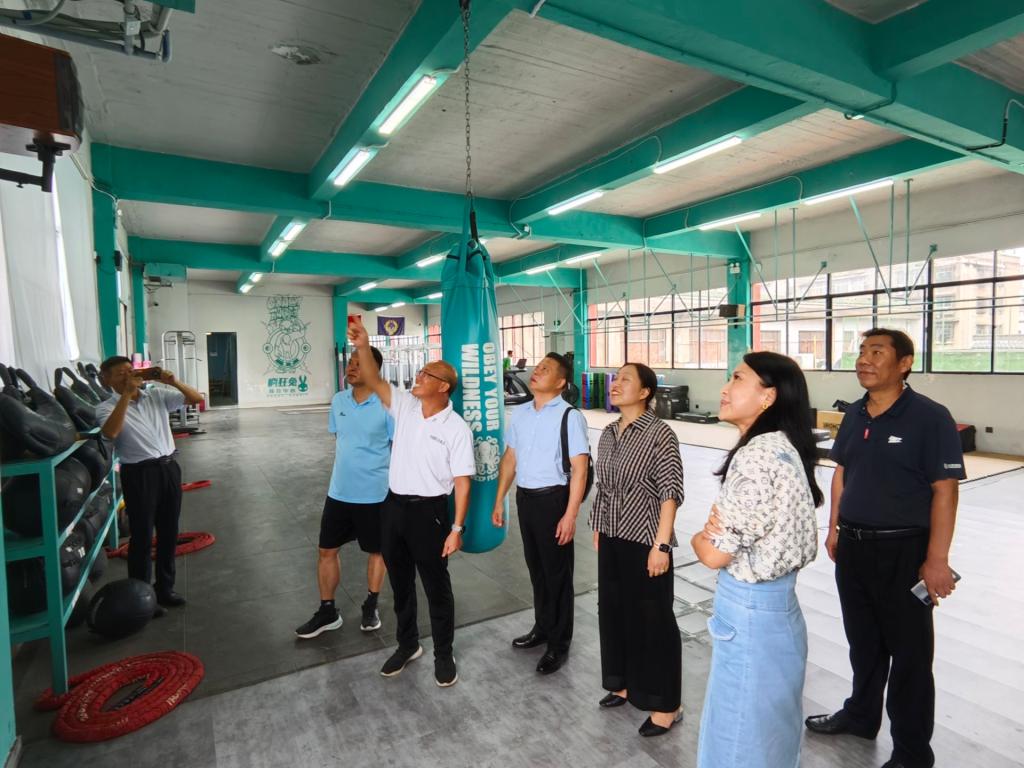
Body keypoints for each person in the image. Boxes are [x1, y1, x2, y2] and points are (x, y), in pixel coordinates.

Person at [805, 329, 964, 768]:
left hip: (905, 552)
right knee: (863, 643)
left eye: (877, 352)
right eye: (861, 352)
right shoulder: (855, 413)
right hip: (854, 548)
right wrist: (834, 528)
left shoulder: (930, 417)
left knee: (910, 657)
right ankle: (861, 715)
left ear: (905, 363)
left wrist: (936, 560)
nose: (864, 360)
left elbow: (945, 489)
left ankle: (912, 753)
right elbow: (841, 472)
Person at [691, 352, 823, 768]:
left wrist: (697, 537)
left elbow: (713, 553)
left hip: (750, 612)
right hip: (779, 610)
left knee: (738, 738)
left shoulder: (755, 456)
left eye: (737, 378)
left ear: (769, 396)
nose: (725, 389)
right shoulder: (783, 446)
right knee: (769, 733)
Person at [347, 318, 475, 687]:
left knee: (436, 587)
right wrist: (363, 345)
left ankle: (443, 653)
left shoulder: (456, 428)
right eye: (419, 371)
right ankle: (408, 644)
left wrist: (456, 528)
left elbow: (463, 483)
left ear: (444, 386)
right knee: (400, 583)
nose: (418, 376)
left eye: (426, 374)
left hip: (429, 514)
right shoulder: (404, 406)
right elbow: (374, 379)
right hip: (393, 508)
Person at [590, 362, 684, 737]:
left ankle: (666, 704)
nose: (616, 384)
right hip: (612, 535)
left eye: (625, 379)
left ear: (645, 392)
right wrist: (599, 526)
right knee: (613, 611)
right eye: (616, 378)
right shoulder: (609, 432)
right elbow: (603, 486)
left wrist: (661, 544)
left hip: (646, 539)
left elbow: (670, 492)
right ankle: (622, 683)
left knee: (653, 620)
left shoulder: (660, 434)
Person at [491, 353, 589, 674]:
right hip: (526, 499)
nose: (537, 371)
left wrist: (570, 515)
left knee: (557, 575)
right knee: (537, 570)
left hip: (554, 501)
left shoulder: (569, 416)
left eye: (546, 369)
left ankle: (559, 644)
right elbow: (510, 459)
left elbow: (580, 469)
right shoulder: (520, 413)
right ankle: (543, 628)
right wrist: (499, 500)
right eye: (538, 367)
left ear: (560, 382)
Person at [295, 346, 393, 639]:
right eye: (350, 362)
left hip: (375, 494)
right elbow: (342, 438)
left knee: (377, 551)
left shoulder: (387, 405)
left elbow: (397, 446)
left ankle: (371, 604)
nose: (351, 367)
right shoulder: (338, 400)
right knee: (326, 550)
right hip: (339, 492)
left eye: (358, 364)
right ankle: (327, 611)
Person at [97, 357, 204, 610]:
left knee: (169, 532)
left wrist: (173, 381)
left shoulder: (156, 396)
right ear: (107, 380)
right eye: (120, 374)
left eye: (130, 371)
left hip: (168, 468)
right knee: (142, 536)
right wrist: (127, 395)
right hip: (139, 474)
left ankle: (165, 589)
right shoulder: (104, 407)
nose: (127, 376)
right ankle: (141, 598)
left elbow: (196, 399)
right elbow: (110, 432)